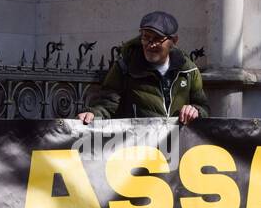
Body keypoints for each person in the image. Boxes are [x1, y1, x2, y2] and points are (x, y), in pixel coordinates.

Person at [77, 11, 209, 124]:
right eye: (146, 37)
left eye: (157, 39)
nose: (150, 45)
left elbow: (203, 107)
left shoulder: (188, 71)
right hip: (139, 149)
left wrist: (196, 110)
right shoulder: (125, 67)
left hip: (177, 148)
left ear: (173, 41)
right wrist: (93, 114)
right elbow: (107, 104)